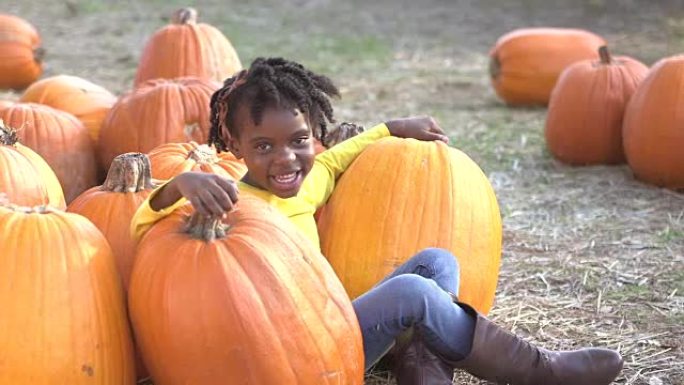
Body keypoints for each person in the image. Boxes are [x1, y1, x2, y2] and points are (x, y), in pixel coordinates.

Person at [130, 57, 624, 385]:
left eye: (298, 140)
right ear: (235, 148)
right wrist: (179, 185)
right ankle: (540, 370)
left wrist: (391, 128)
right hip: (306, 359)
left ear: (312, 133)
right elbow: (139, 228)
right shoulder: (231, 203)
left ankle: (423, 371)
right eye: (264, 147)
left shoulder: (307, 179)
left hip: (335, 327)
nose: (286, 159)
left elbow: (334, 159)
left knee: (436, 262)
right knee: (412, 295)